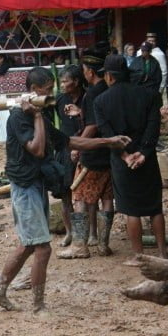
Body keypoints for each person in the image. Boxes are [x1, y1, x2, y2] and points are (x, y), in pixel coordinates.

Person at [0, 66, 131, 313]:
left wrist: (108, 141)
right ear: (34, 91)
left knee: (29, 244)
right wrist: (34, 117)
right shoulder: (19, 117)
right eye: (47, 89)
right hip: (24, 186)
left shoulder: (39, 117)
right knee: (42, 246)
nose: (52, 93)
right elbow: (38, 149)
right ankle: (38, 304)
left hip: (36, 183)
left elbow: (69, 141)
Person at [94, 54, 168, 258]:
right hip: (147, 157)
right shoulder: (149, 95)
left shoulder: (101, 101)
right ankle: (162, 253)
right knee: (154, 206)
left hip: (121, 161)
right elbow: (154, 126)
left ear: (109, 76)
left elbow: (106, 132)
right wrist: (143, 152)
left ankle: (139, 256)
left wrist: (125, 155)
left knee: (132, 210)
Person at [58, 49, 113, 259]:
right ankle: (103, 244)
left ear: (89, 71)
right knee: (107, 197)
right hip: (110, 151)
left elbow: (92, 125)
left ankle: (80, 245)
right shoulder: (107, 89)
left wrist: (79, 147)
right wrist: (80, 113)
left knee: (79, 196)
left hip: (93, 153)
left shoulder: (91, 94)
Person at [53, 65, 85, 248]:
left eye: (66, 81)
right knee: (65, 194)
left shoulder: (87, 98)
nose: (63, 84)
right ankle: (69, 232)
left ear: (77, 82)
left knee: (86, 196)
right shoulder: (59, 99)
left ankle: (87, 232)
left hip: (85, 147)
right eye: (62, 81)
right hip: (65, 149)